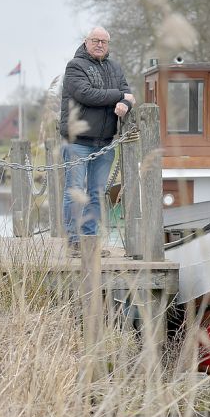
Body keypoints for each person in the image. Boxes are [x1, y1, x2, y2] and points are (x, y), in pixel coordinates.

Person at [59, 27, 136, 256]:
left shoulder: (115, 68)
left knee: (96, 193)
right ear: (86, 42)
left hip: (105, 143)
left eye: (104, 41)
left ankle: (90, 243)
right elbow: (86, 94)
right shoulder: (75, 66)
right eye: (95, 40)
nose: (100, 44)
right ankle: (74, 243)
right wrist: (118, 97)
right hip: (78, 142)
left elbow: (128, 93)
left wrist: (127, 104)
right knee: (74, 191)